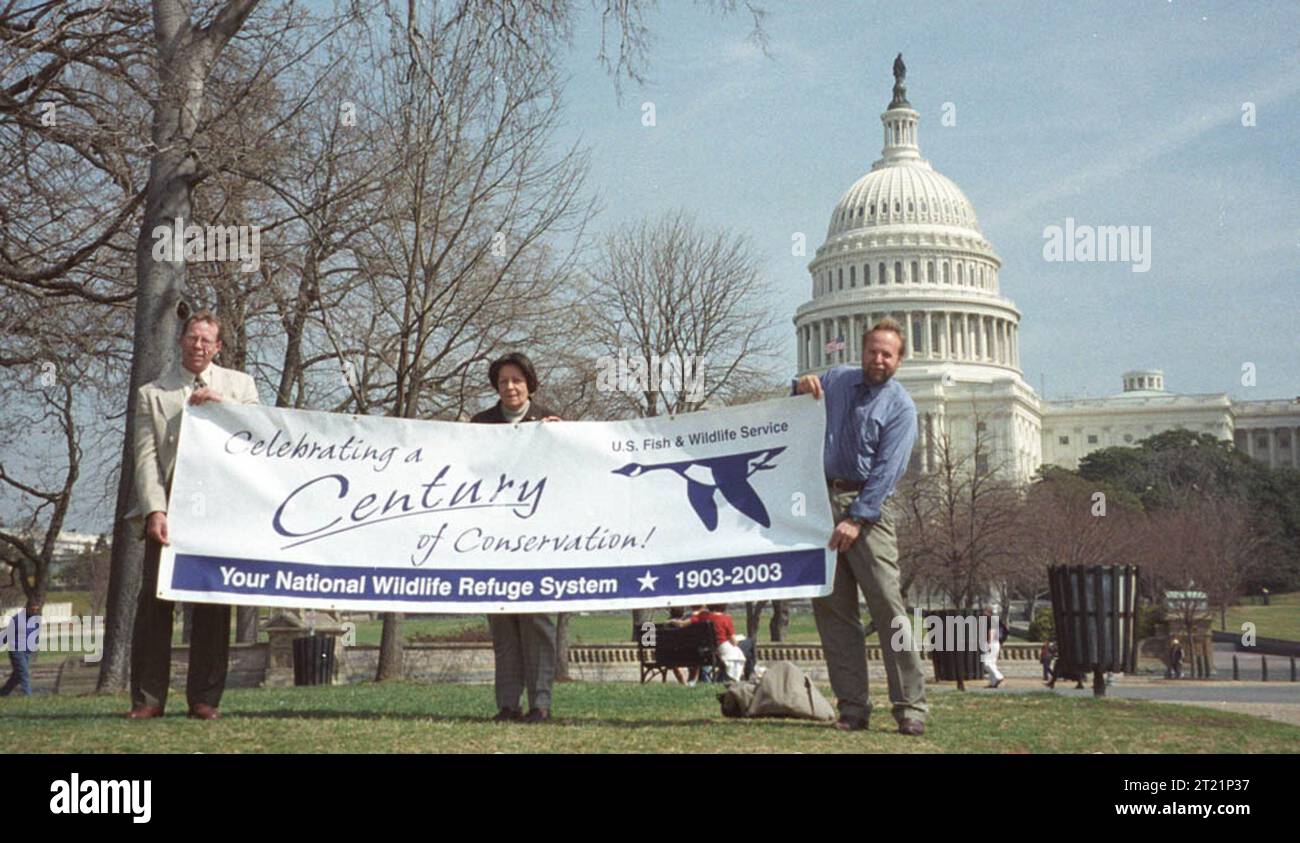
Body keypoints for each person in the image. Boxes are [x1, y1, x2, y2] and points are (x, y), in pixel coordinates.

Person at [793, 317, 927, 736]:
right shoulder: (836, 380)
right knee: (834, 614)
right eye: (873, 351)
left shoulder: (901, 407)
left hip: (868, 512)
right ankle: (852, 707)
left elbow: (888, 471)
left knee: (889, 609)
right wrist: (798, 387)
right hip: (820, 502)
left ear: (899, 359)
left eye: (887, 353)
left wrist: (857, 517)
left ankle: (910, 707)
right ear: (862, 350)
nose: (878, 359)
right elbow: (792, 401)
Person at [124, 311, 259, 720]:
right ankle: (148, 700)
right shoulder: (153, 393)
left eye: (207, 341)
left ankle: (204, 699)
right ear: (181, 341)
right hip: (170, 509)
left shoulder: (240, 386)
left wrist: (222, 406)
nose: (198, 346)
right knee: (155, 603)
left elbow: (258, 434)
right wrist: (155, 509)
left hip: (218, 511)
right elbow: (146, 457)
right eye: (192, 338)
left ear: (218, 348)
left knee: (212, 605)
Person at [471, 352, 561, 724]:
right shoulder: (480, 424)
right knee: (504, 627)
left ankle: (541, 704)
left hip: (539, 542)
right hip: (495, 541)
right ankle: (508, 704)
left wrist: (563, 437)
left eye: (516, 380)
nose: (510, 387)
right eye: (503, 381)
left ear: (529, 385)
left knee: (538, 624)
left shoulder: (551, 423)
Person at [1, 599, 41, 697]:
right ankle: (28, 697)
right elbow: (7, 634)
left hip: (27, 651)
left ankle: (2, 693)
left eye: (36, 610)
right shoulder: (17, 619)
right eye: (33, 610)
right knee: (24, 673)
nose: (35, 612)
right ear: (26, 608)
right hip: (16, 650)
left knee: (17, 676)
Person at [982, 606, 1004, 689]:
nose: (983, 614)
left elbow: (991, 631)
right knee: (992, 663)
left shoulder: (989, 620)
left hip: (991, 643)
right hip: (997, 643)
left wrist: (989, 643)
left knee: (986, 663)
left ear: (988, 613)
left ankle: (999, 676)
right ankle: (993, 682)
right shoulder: (996, 620)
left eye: (985, 612)